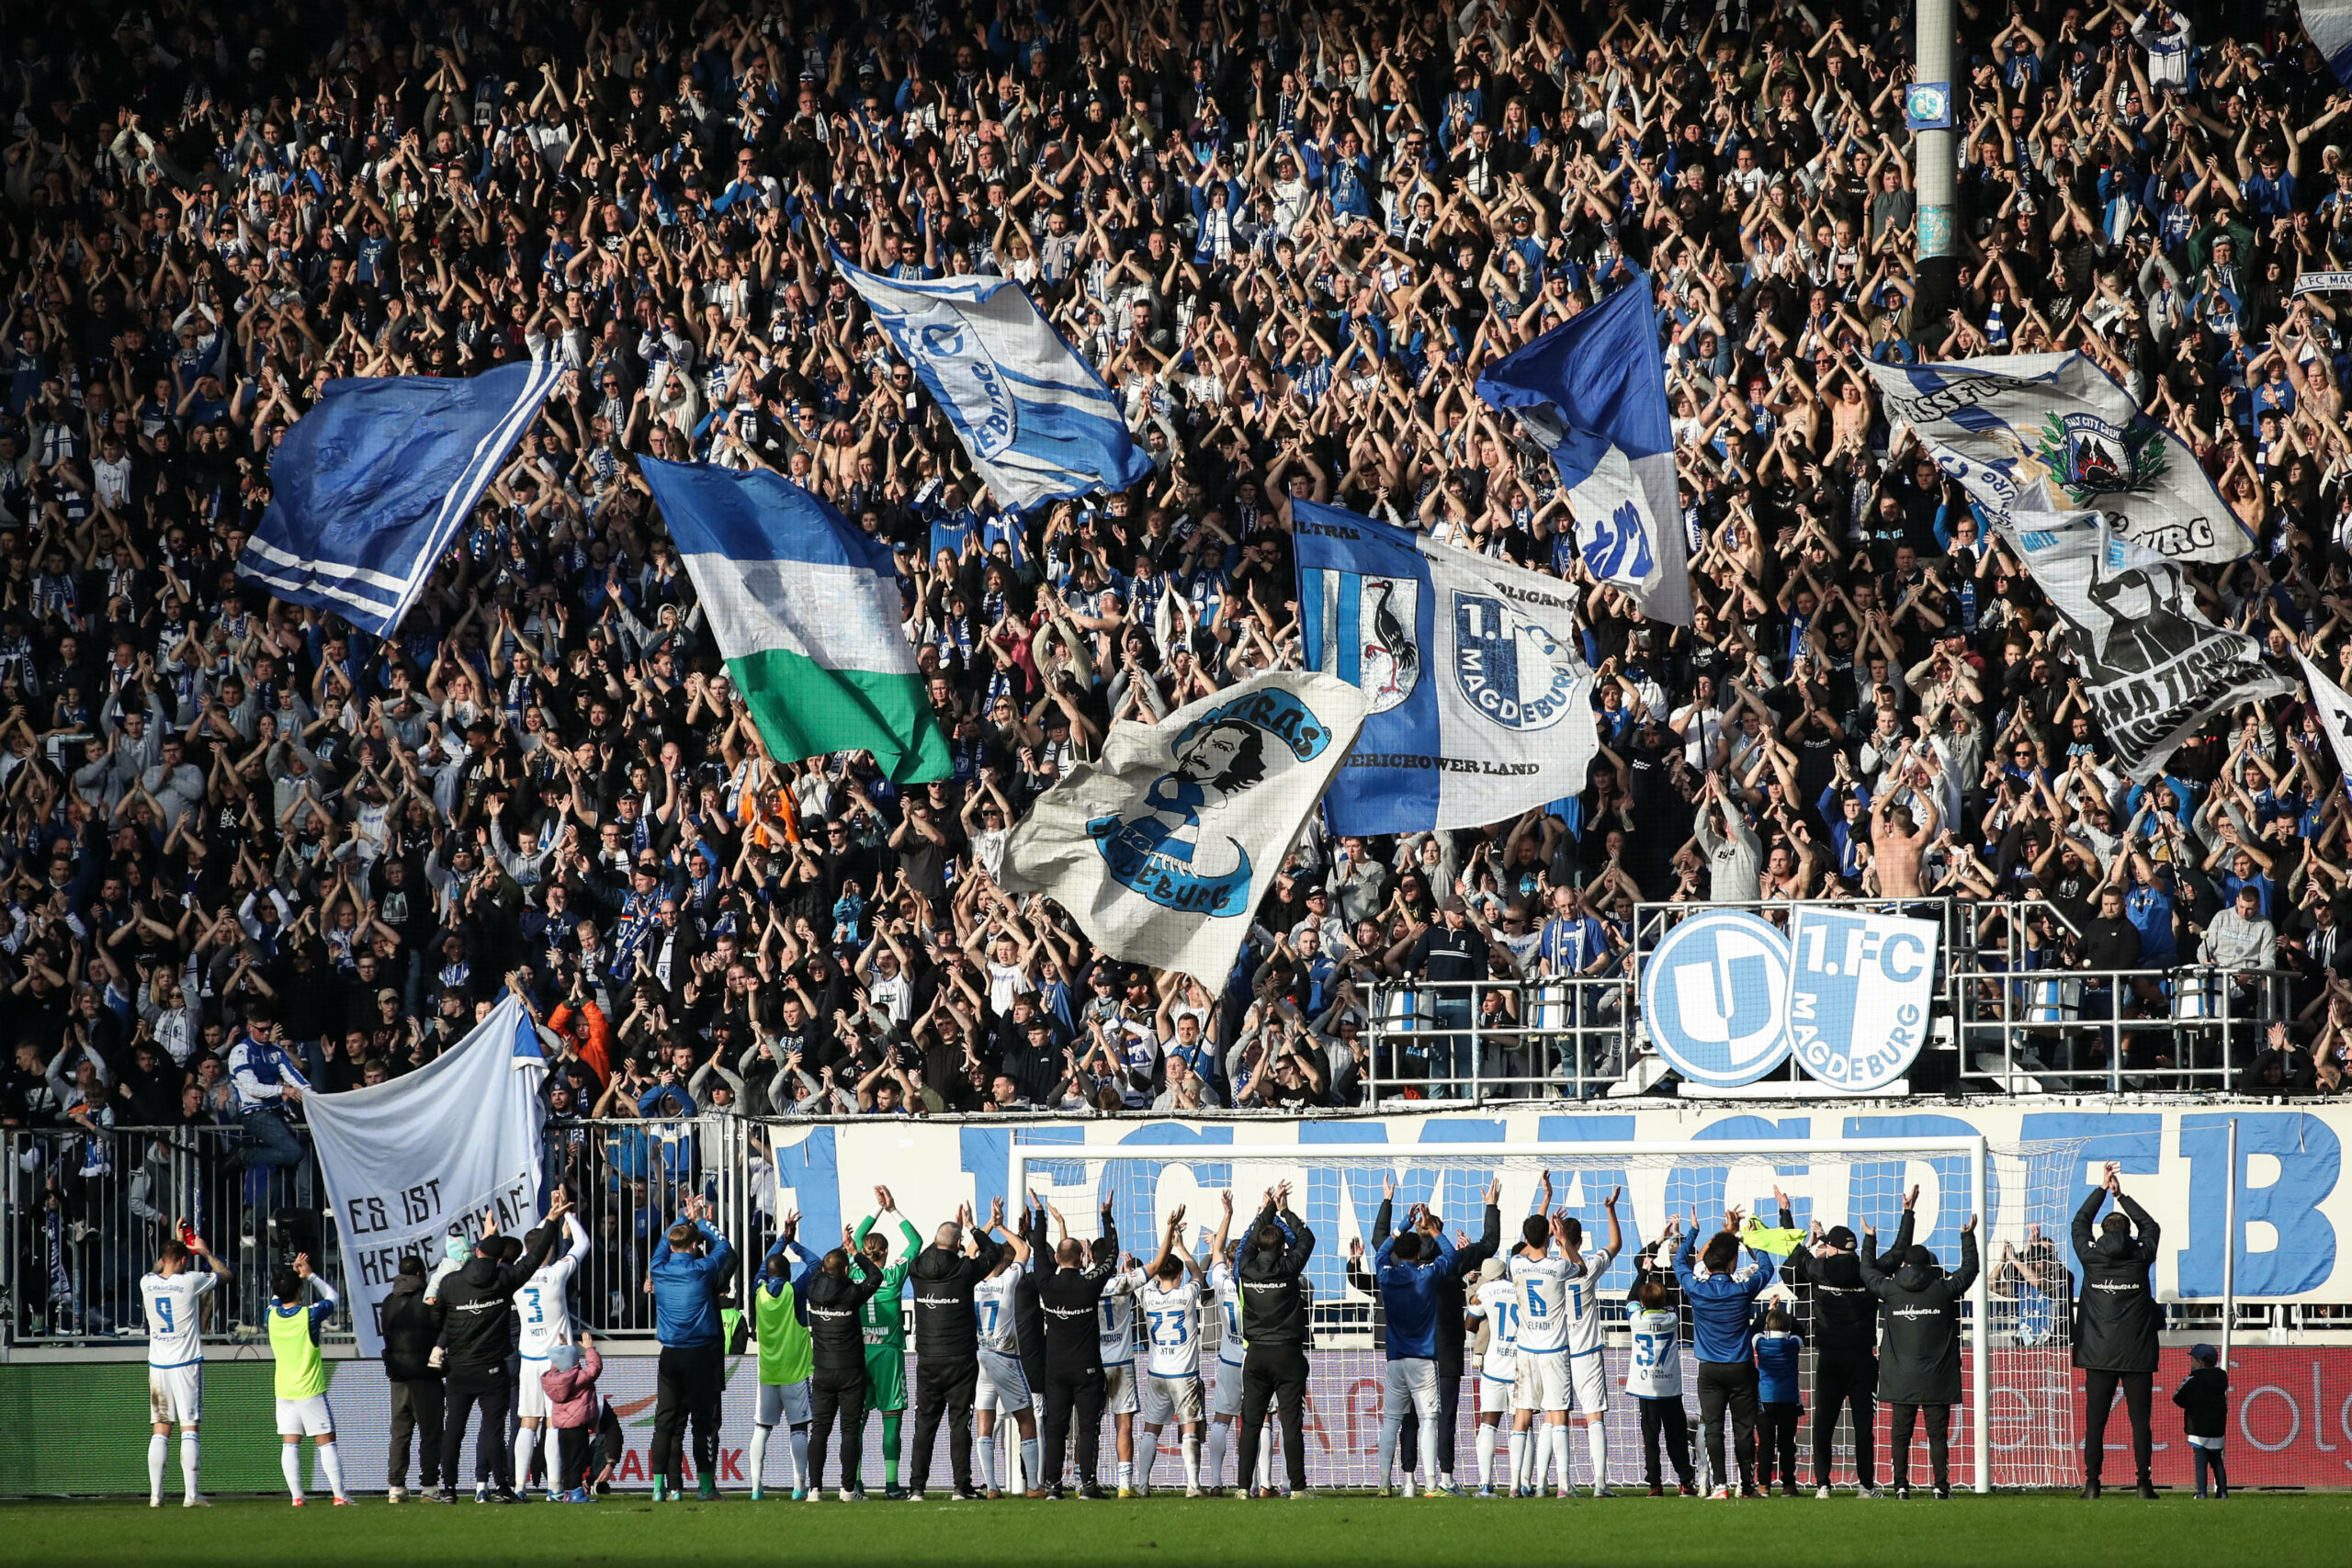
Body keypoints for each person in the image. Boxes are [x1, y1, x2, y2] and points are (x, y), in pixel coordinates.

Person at [435, 1201, 564, 1503]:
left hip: (459, 1367)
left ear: (477, 1252)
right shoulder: (503, 1281)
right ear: (498, 1258)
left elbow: (437, 1315)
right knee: (492, 1429)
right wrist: (552, 1221)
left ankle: (448, 1489)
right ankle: (501, 1487)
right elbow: (533, 1259)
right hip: (492, 1368)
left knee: (453, 1429)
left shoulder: (452, 1283)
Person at [1859, 1204, 1980, 1499]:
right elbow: (1970, 1270)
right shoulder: (1943, 1289)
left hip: (1900, 1379)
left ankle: (1900, 1487)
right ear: (1929, 1265)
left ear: (1902, 1266)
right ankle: (1941, 1487)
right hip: (1937, 1378)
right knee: (1937, 1436)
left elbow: (1866, 1271)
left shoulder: (1891, 1290)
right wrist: (1967, 1237)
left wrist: (1870, 1239)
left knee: (1900, 1436)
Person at [1774, 1186, 1886, 1496]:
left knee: (1824, 1422)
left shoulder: (1821, 1272)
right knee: (1864, 1427)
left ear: (1832, 1249)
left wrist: (1786, 1213)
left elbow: (1796, 1254)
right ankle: (1866, 1486)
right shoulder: (1869, 1274)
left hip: (1830, 1358)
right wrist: (1877, 1236)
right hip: (1864, 1359)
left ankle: (1823, 1484)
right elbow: (1897, 1255)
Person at [1673, 1205, 1779, 1498]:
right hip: (1741, 1368)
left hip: (1709, 1370)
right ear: (1733, 1263)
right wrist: (1749, 1239)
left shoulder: (1697, 1289)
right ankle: (1745, 1486)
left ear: (1707, 1265)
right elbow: (1768, 1269)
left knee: (1713, 1428)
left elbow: (1679, 1262)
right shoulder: (1742, 1289)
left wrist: (1694, 1232)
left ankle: (1719, 1485)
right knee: (1744, 1430)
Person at [2073, 1161, 2161, 1500]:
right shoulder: (2141, 1256)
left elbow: (2080, 1222)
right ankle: (2143, 1484)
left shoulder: (2090, 1257)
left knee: (2095, 1424)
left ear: (2102, 1233)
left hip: (2097, 1354)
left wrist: (2101, 1189)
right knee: (2140, 1424)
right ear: (2128, 1234)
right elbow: (2150, 1224)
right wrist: (2120, 1195)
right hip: (2137, 1354)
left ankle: (2092, 1484)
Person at [1370, 1172, 1461, 1495]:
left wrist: (1402, 1228)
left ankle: (1384, 1485)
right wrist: (1435, 1231)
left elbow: (1380, 1251)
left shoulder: (1386, 1275)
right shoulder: (1426, 1275)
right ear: (1420, 1254)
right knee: (1428, 1421)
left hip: (1395, 1360)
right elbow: (1451, 1257)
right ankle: (1430, 1485)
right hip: (1423, 1360)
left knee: (1392, 1422)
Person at [906, 1197, 1001, 1501]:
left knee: (924, 1425)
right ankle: (961, 1487)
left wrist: (953, 1236)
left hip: (928, 1359)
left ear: (934, 1242)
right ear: (959, 1244)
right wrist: (973, 1226)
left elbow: (921, 1248)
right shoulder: (964, 1270)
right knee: (960, 1424)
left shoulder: (917, 1268)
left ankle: (917, 1488)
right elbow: (993, 1252)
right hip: (960, 1361)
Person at [1033, 1195, 1123, 1499]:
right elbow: (1111, 1256)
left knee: (1055, 1429)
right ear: (1083, 1257)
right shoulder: (1089, 1283)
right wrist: (1106, 1217)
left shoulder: (1046, 1282)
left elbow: (1037, 1252)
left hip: (1055, 1370)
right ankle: (1087, 1486)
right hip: (1087, 1369)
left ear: (1057, 1259)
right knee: (1087, 1429)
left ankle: (1053, 1487)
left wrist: (1040, 1214)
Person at [649, 1195, 734, 1501]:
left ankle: (659, 1489)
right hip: (700, 1354)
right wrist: (699, 1220)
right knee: (703, 1423)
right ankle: (707, 1487)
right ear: (695, 1245)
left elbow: (662, 1244)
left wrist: (680, 1219)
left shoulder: (658, 1268)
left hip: (669, 1354)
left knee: (664, 1421)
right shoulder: (703, 1268)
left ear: (673, 1247)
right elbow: (725, 1247)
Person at [139, 1224, 231, 1507]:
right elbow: (225, 1275)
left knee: (160, 1428)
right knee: (189, 1428)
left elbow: (159, 1267)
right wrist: (203, 1251)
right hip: (186, 1364)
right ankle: (191, 1494)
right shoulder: (189, 1280)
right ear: (183, 1260)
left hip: (158, 1365)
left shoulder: (146, 1282)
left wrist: (176, 1244)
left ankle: (156, 1495)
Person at [1233, 1183, 1316, 1498]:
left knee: (1251, 1423)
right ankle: (1297, 1489)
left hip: (1256, 1355)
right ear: (1283, 1247)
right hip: (1288, 1353)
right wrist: (1283, 1210)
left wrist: (1266, 1208)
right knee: (1290, 1423)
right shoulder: (1290, 1266)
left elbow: (1249, 1241)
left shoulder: (1245, 1267)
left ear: (1258, 1248)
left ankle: (1242, 1488)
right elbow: (1307, 1239)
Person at [515, 1196, 592, 1501]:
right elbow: (582, 1243)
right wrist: (566, 1214)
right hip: (556, 1362)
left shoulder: (515, 1279)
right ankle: (555, 1487)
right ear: (548, 1250)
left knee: (527, 1423)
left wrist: (548, 1218)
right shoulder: (556, 1273)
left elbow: (534, 1243)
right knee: (554, 1424)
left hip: (527, 1358)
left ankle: (519, 1487)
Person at [851, 1187, 923, 1498]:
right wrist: (892, 1208)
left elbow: (856, 1240)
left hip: (858, 1353)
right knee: (891, 1421)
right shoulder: (893, 1275)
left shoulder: (855, 1269)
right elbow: (917, 1242)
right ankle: (892, 1486)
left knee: (857, 1422)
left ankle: (853, 1482)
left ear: (864, 1253)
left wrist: (875, 1209)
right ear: (885, 1252)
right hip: (888, 1355)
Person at [1136, 1205, 1211, 1497]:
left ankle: (1142, 1484)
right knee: (1189, 1427)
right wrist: (1181, 1246)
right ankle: (1193, 1485)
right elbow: (1197, 1274)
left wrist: (1169, 1241)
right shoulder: (1186, 1294)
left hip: (1157, 1372)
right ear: (1179, 1275)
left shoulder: (1147, 1294)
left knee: (1151, 1428)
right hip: (1184, 1374)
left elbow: (1155, 1271)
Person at [805, 1235, 886, 1499]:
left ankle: (814, 1489)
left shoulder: (812, 1289)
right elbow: (876, 1276)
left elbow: (820, 1268)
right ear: (846, 1270)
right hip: (851, 1372)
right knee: (849, 1431)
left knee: (819, 1430)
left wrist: (839, 1252)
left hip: (823, 1371)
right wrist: (855, 1253)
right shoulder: (852, 1294)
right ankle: (848, 1489)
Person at [749, 1212, 821, 1501]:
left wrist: (781, 1240)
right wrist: (795, 1245)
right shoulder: (795, 1291)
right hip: (795, 1373)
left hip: (768, 1374)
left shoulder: (759, 1291)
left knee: (761, 1429)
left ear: (767, 1274)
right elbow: (815, 1264)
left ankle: (755, 1487)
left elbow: (763, 1267)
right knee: (799, 1428)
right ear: (788, 1274)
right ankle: (798, 1486)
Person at [266, 1252, 349, 1506]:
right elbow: (333, 1297)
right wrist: (310, 1274)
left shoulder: (270, 1316)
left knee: (290, 1443)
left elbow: (275, 1300)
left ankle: (297, 1497)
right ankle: (339, 1495)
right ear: (300, 1289)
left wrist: (286, 1279)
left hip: (284, 1391)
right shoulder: (308, 1316)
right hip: (310, 1389)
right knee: (326, 1442)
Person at [973, 1202, 1044, 1498]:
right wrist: (1000, 1225)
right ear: (1002, 1263)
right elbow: (1024, 1251)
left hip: (981, 1358)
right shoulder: (1007, 1281)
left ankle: (991, 1486)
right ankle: (1033, 1486)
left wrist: (980, 1228)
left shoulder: (972, 1283)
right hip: (1004, 1358)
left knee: (985, 1422)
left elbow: (966, 1254)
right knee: (1026, 1419)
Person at [1624, 1249, 1696, 1496]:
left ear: (1642, 1303)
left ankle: (1654, 1484)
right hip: (1670, 1388)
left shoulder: (1636, 1319)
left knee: (1651, 1438)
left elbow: (1632, 1296)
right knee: (1676, 1437)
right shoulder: (1672, 1317)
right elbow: (1670, 1302)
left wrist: (1644, 1272)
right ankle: (1686, 1481)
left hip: (1647, 1387)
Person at [380, 1254, 443, 1503]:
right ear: (420, 1274)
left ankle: (395, 1486)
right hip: (425, 1375)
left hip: (398, 1374)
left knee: (400, 1432)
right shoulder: (428, 1300)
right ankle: (429, 1486)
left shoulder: (388, 1301)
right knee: (430, 1432)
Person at [1466, 1255, 1521, 1496]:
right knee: (1522, 1425)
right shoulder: (1519, 1288)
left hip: (1494, 1364)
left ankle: (1486, 1484)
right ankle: (1520, 1485)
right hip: (1521, 1364)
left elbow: (1469, 1324)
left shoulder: (1486, 1291)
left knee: (1489, 1423)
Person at [539, 1334, 605, 1503]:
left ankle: (567, 1491)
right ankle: (576, 1492)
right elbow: (595, 1367)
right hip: (577, 1427)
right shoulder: (579, 1377)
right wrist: (589, 1349)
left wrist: (561, 1350)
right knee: (577, 1461)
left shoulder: (554, 1380)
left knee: (567, 1461)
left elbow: (560, 1365)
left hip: (562, 1428)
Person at [1753, 1303, 1804, 1496]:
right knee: (1787, 1444)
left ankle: (1763, 1486)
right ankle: (1789, 1485)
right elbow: (1800, 1329)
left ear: (1768, 1326)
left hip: (1765, 1399)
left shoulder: (1761, 1343)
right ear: (1788, 1326)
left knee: (1765, 1444)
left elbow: (1754, 1329)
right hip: (1789, 1400)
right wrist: (1788, 1313)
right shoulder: (1793, 1344)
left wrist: (1767, 1310)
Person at [2173, 1345, 2230, 1501]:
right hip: (2218, 1426)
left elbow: (2177, 1397)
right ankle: (2222, 1492)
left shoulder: (2194, 1380)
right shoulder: (2222, 1377)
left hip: (2197, 1427)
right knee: (2217, 1461)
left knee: (2200, 1461)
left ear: (2199, 1362)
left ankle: (2202, 1492)